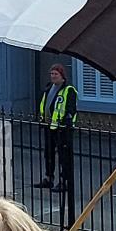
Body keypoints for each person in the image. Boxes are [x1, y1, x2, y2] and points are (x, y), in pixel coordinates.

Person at [36, 63, 79, 192]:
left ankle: (64, 181)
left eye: (56, 74)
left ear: (62, 76)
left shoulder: (68, 90)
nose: (53, 76)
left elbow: (71, 109)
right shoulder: (49, 88)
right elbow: (44, 105)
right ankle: (49, 178)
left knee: (63, 156)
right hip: (49, 127)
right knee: (48, 154)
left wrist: (66, 122)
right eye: (51, 74)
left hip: (62, 129)